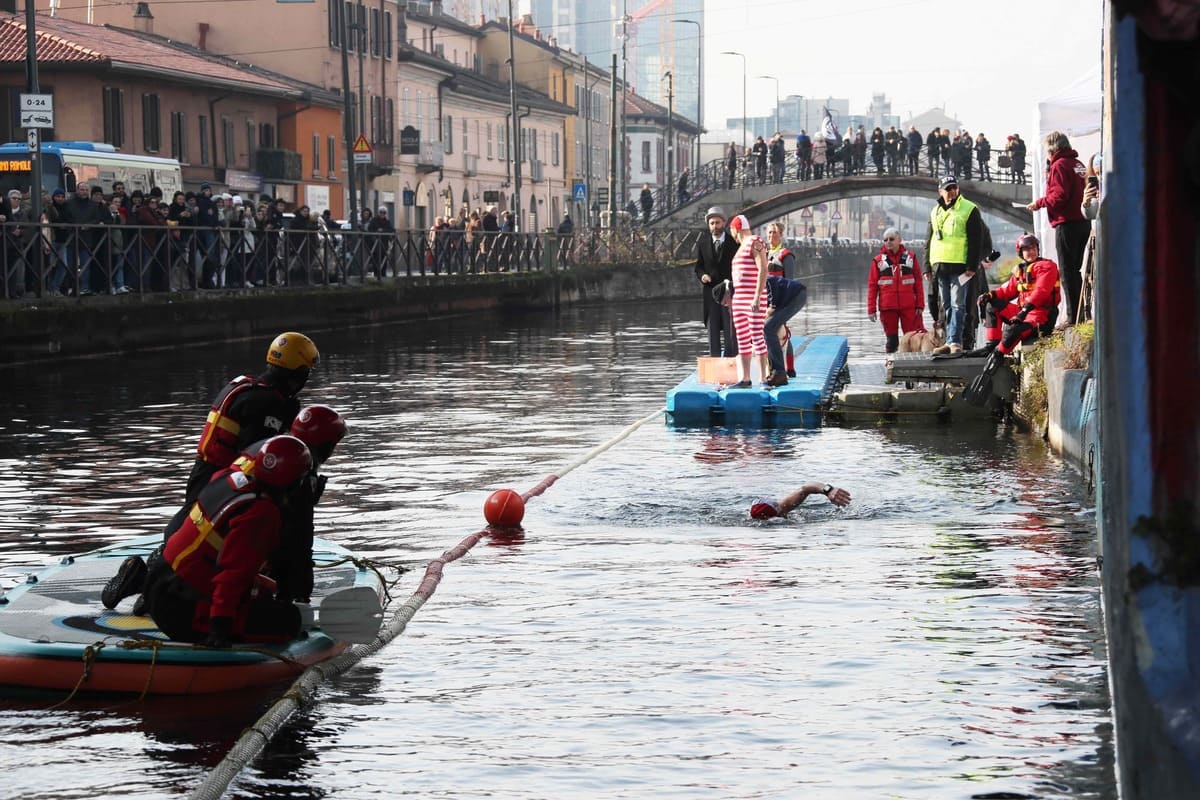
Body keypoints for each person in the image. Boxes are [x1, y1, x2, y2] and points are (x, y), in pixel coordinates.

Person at [139, 435, 314, 647]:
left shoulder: (230, 478)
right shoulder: (261, 513)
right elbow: (233, 575)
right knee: (289, 620)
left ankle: (137, 578)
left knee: (268, 590)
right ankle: (213, 623)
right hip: (180, 608)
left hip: (160, 579)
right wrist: (219, 627)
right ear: (294, 481)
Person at [184, 331, 318, 502]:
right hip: (218, 484)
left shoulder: (243, 385)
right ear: (299, 373)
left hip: (201, 476)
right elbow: (260, 458)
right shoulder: (268, 402)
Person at [972, 233, 1061, 386]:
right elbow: (1008, 291)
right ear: (1021, 252)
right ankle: (992, 345)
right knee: (992, 305)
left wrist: (1023, 312)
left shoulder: (1047, 267)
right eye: (1026, 249)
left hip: (1041, 316)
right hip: (1024, 313)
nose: (1030, 252)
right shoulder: (1020, 270)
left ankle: (998, 355)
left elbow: (1041, 292)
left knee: (1013, 330)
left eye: (1033, 248)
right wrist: (990, 295)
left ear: (1038, 249)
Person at [1026, 130, 1089, 326]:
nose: (1046, 155)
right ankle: (1081, 314)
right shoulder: (1078, 165)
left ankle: (1073, 317)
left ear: (1053, 149)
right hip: (1083, 221)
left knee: (1068, 271)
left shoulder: (1059, 165)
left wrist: (1039, 203)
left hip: (1067, 222)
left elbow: (1059, 196)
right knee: (1075, 270)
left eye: (1046, 151)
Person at [925, 176, 983, 354]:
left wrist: (972, 265)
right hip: (940, 265)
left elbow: (976, 240)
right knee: (947, 305)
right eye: (948, 189)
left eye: (954, 188)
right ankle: (949, 341)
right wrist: (927, 266)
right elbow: (929, 240)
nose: (951, 192)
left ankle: (955, 342)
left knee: (959, 305)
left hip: (959, 265)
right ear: (940, 191)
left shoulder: (969, 209)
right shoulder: (935, 211)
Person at [725, 214, 769, 388]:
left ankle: (764, 378)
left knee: (757, 337)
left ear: (736, 229)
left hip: (752, 298)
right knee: (742, 338)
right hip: (739, 300)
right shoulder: (740, 247)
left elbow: (763, 268)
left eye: (732, 232)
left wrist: (757, 295)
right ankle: (745, 378)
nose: (733, 236)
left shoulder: (754, 241)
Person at [867, 228, 925, 354]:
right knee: (892, 341)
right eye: (885, 240)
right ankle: (891, 365)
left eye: (891, 239)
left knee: (912, 339)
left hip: (909, 306)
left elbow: (918, 283)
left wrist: (920, 304)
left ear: (899, 240)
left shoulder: (911, 258)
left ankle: (912, 365)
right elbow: (872, 286)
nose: (888, 242)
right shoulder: (878, 261)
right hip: (888, 308)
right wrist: (871, 309)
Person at [694, 206, 739, 357]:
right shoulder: (702, 244)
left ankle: (731, 360)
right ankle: (714, 360)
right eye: (712, 223)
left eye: (717, 223)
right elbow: (698, 266)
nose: (715, 226)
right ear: (708, 225)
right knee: (712, 329)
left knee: (730, 329)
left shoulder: (734, 243)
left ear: (724, 223)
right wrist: (702, 276)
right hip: (711, 293)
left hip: (729, 293)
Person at [749, 482, 852, 519]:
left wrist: (828, 490)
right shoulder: (781, 513)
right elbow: (805, 488)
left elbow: (806, 488)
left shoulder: (784, 507)